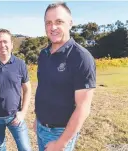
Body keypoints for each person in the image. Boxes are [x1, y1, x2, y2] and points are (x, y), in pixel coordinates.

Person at [34, 2, 96, 151]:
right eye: (48, 23)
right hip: (41, 127)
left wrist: (61, 143)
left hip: (61, 133)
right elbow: (44, 88)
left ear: (70, 23)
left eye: (59, 22)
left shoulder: (81, 57)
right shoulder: (44, 54)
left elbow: (83, 107)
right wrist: (38, 119)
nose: (53, 27)